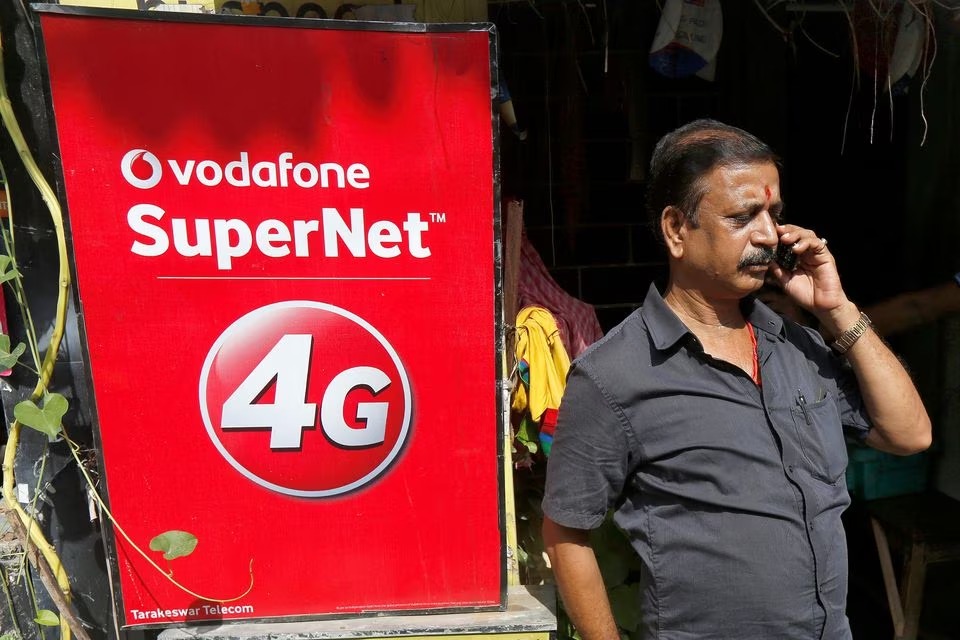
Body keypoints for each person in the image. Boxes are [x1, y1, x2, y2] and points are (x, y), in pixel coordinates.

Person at [541, 119, 932, 640]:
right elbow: (566, 533)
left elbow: (909, 436)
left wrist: (837, 312)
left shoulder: (798, 346)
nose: (769, 235)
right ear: (676, 230)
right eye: (743, 217)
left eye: (774, 214)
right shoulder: (614, 376)